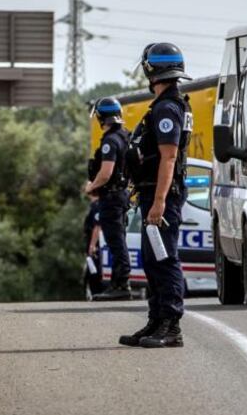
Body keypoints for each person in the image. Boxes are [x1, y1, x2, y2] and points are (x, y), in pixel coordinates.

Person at [118, 43, 193, 348]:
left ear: (152, 70)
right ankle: (156, 321)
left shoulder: (166, 108)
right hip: (154, 193)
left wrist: (160, 202)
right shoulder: (167, 104)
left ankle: (171, 326)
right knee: (152, 260)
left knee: (164, 259)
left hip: (162, 195)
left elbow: (169, 157)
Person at [85, 97, 131, 301]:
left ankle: (121, 284)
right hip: (121, 194)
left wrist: (91, 186)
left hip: (111, 197)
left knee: (115, 241)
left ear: (100, 117)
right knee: (119, 240)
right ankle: (118, 282)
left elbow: (106, 172)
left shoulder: (110, 141)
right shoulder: (124, 136)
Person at [82, 191, 105, 300]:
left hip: (95, 244)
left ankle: (97, 293)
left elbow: (97, 227)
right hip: (92, 242)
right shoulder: (94, 205)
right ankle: (94, 293)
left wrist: (92, 245)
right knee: (91, 271)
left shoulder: (97, 205)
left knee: (94, 271)